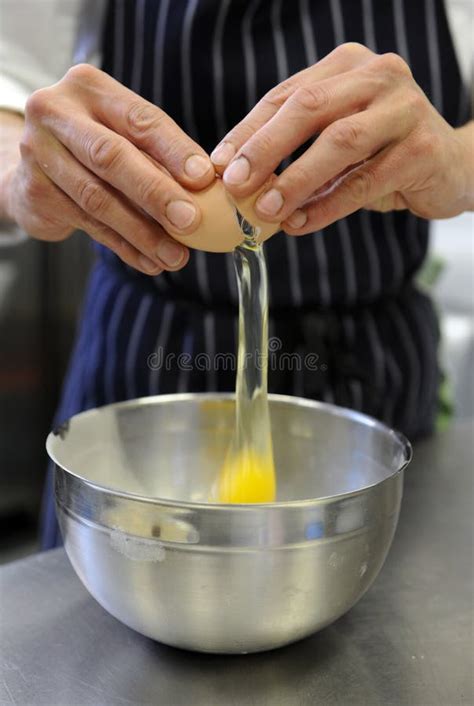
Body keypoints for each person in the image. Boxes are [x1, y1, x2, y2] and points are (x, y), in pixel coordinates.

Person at [0, 1, 472, 549]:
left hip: (379, 382)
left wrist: (458, 158)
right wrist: (18, 173)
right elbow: (9, 78)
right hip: (143, 367)